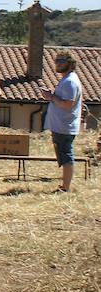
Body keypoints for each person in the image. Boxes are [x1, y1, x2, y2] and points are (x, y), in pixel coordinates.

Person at [47, 51, 83, 192]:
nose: (58, 63)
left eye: (61, 60)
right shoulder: (67, 79)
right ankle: (64, 186)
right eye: (56, 60)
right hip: (62, 125)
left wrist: (51, 97)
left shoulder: (69, 82)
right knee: (64, 155)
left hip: (64, 126)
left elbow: (68, 104)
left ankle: (66, 188)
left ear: (70, 63)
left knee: (66, 156)